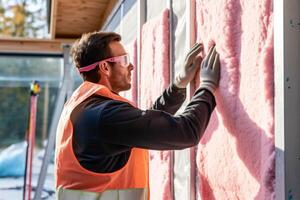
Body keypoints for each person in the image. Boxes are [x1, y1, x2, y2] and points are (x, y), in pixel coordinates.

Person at [55, 31, 220, 200]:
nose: (131, 66)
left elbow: (141, 126)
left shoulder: (83, 107)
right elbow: (186, 132)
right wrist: (207, 87)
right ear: (105, 67)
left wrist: (179, 84)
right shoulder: (104, 115)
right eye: (124, 60)